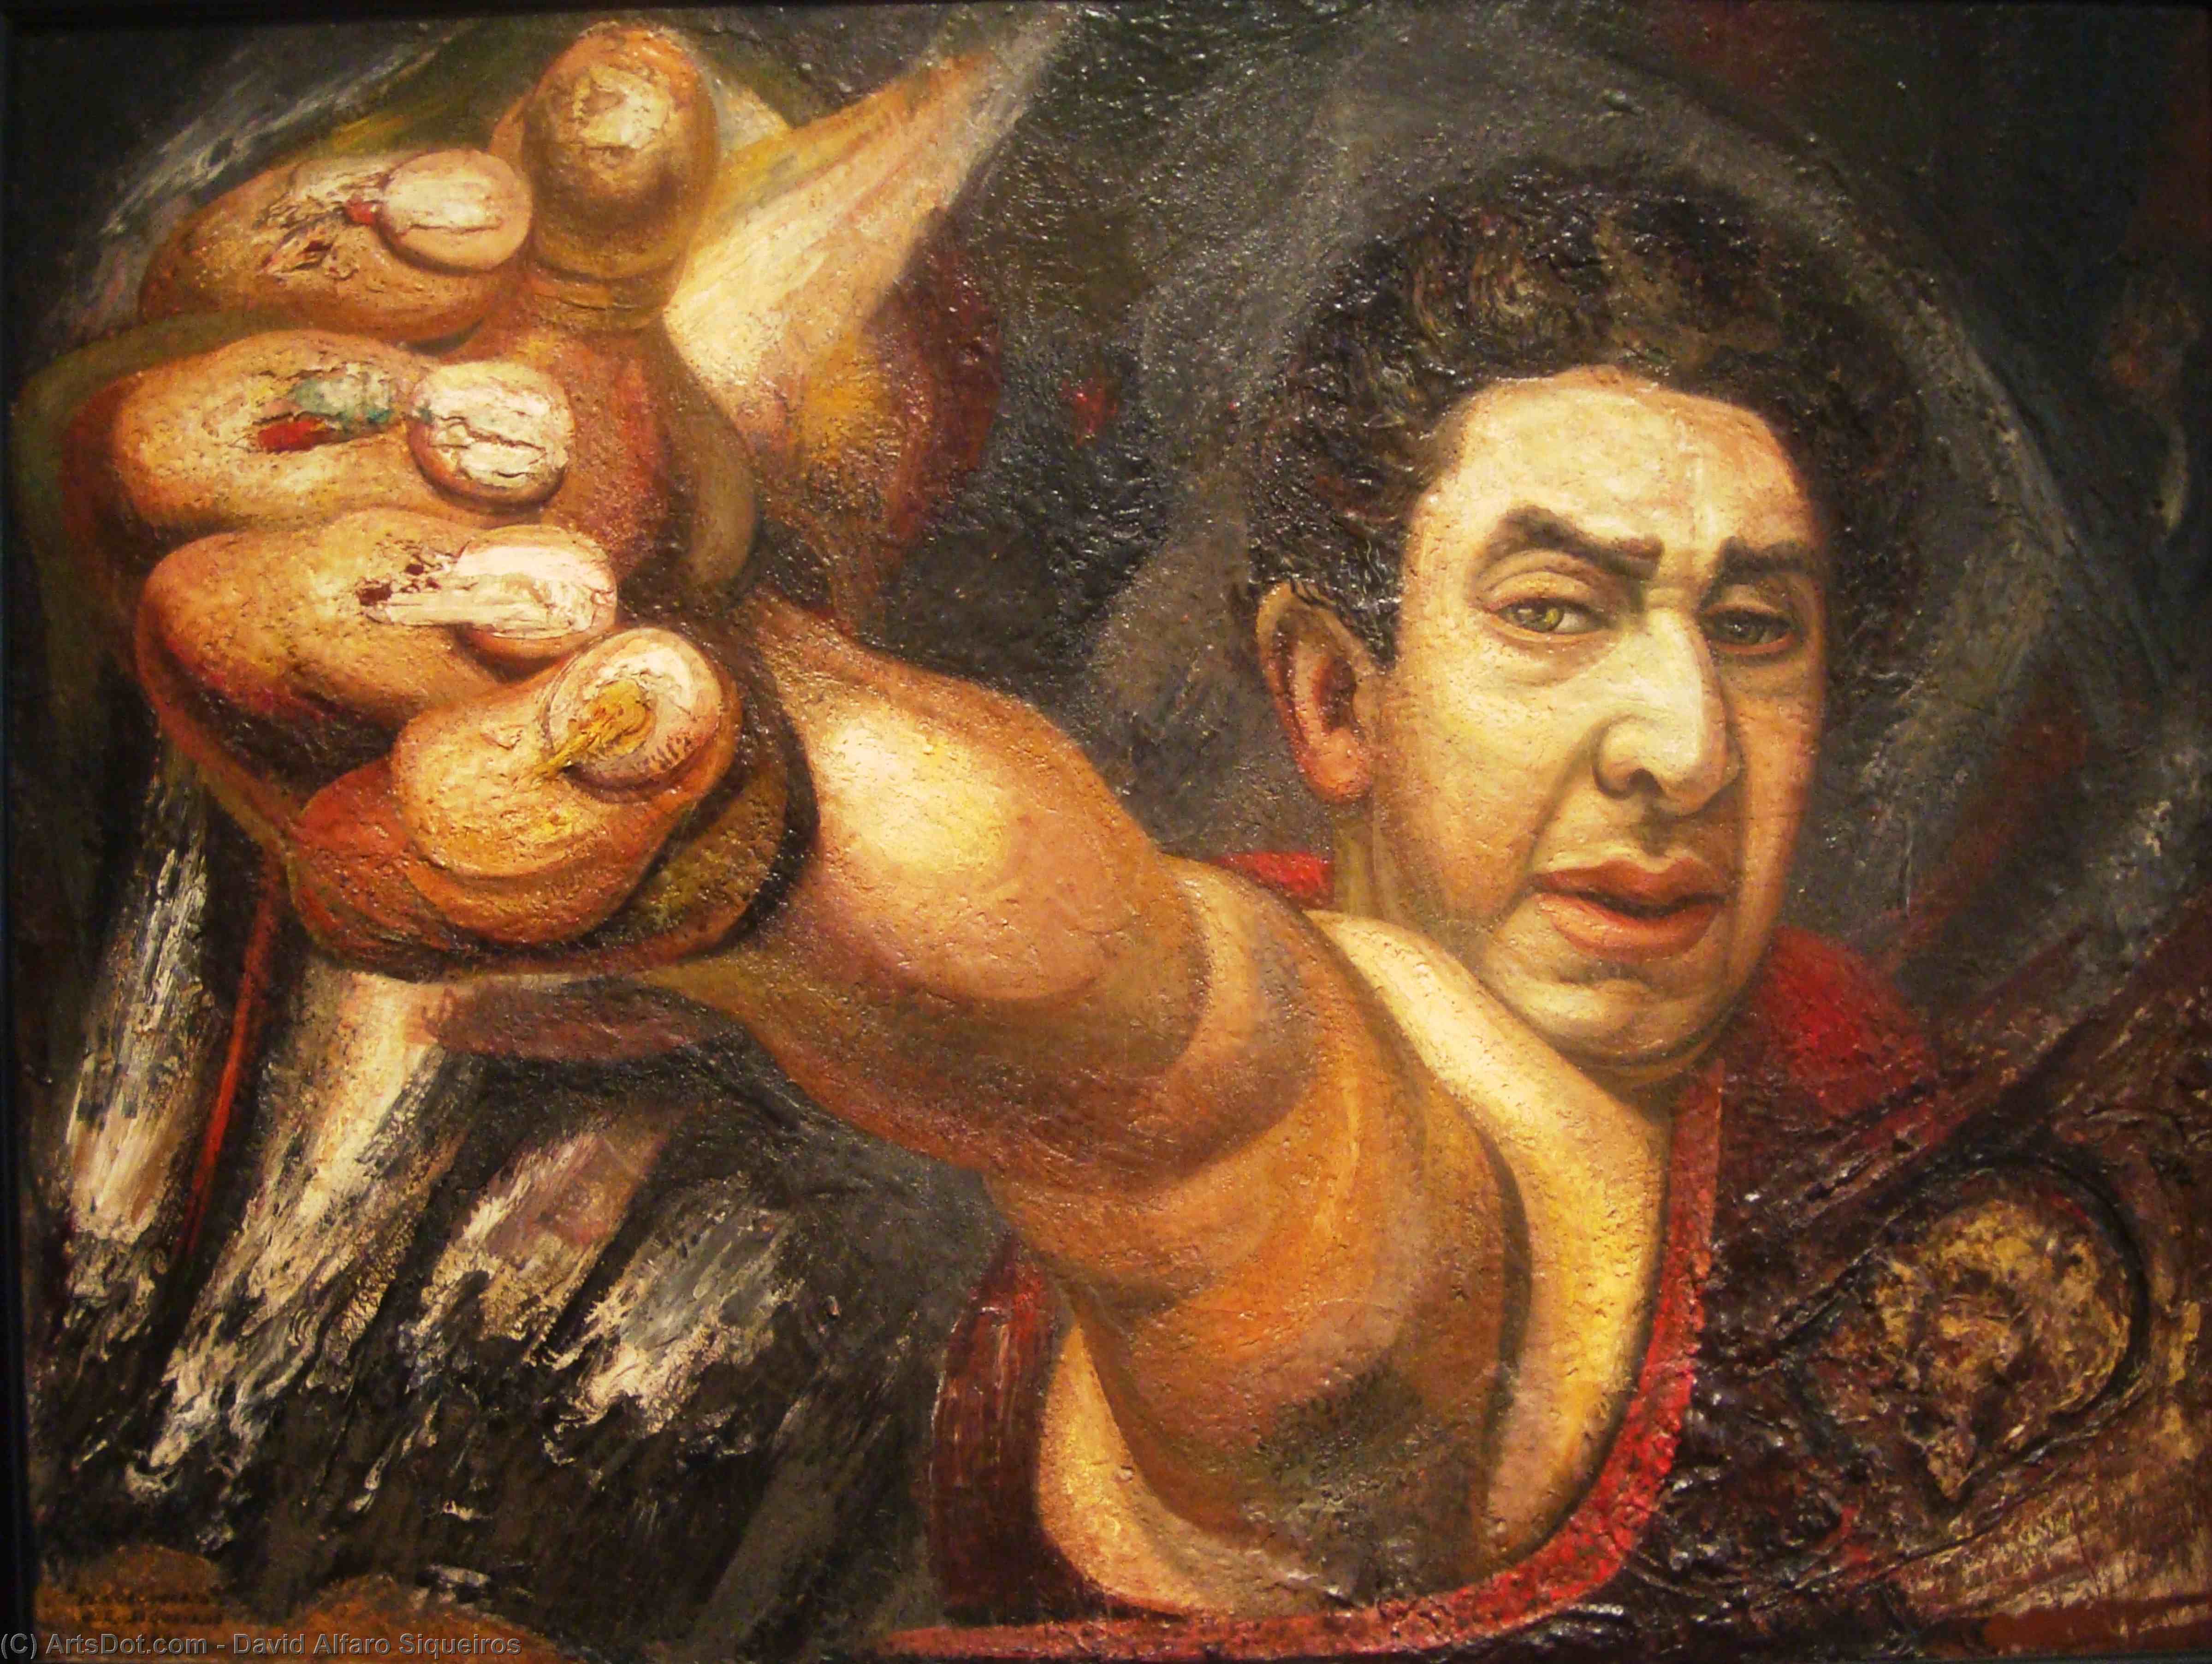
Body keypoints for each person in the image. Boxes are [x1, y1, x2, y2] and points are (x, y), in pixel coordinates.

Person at [113, 152, 1948, 1631]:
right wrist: (746, 773)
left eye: (1756, 628)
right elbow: (1187, 1050)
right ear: (1331, 696)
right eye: (1554, 610)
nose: (1684, 747)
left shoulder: (1903, 1115)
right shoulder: (1166, 1039)